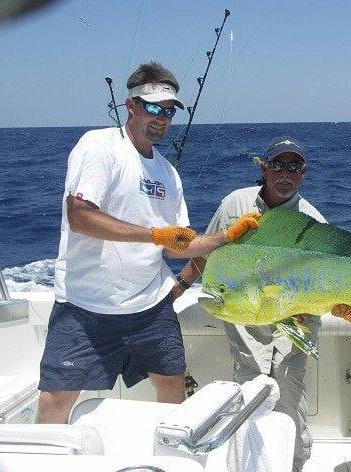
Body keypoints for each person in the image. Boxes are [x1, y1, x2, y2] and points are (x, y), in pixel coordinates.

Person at [37, 61, 258, 424]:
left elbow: (177, 247)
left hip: (150, 305)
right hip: (86, 305)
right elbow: (79, 216)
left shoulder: (168, 173)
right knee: (55, 399)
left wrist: (226, 238)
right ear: (131, 105)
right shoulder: (99, 146)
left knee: (172, 383)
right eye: (153, 107)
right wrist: (152, 234)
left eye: (169, 110)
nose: (162, 118)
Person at [173, 137, 326, 471]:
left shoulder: (313, 221)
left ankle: (294, 464)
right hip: (246, 317)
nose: (285, 174)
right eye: (277, 166)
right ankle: (245, 463)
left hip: (294, 319)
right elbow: (205, 252)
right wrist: (178, 287)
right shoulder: (235, 203)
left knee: (287, 392)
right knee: (247, 391)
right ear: (264, 169)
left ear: (303, 172)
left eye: (293, 167)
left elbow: (322, 284)